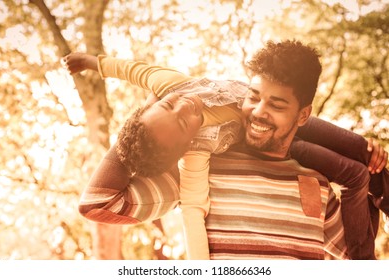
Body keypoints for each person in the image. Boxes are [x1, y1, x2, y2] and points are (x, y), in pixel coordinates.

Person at [64, 40, 388, 259]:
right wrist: (142, 123)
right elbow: (98, 202)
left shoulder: (315, 180)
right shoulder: (200, 165)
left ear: (303, 113)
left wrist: (368, 178)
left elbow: (358, 254)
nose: (259, 111)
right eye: (255, 97)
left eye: (275, 104)